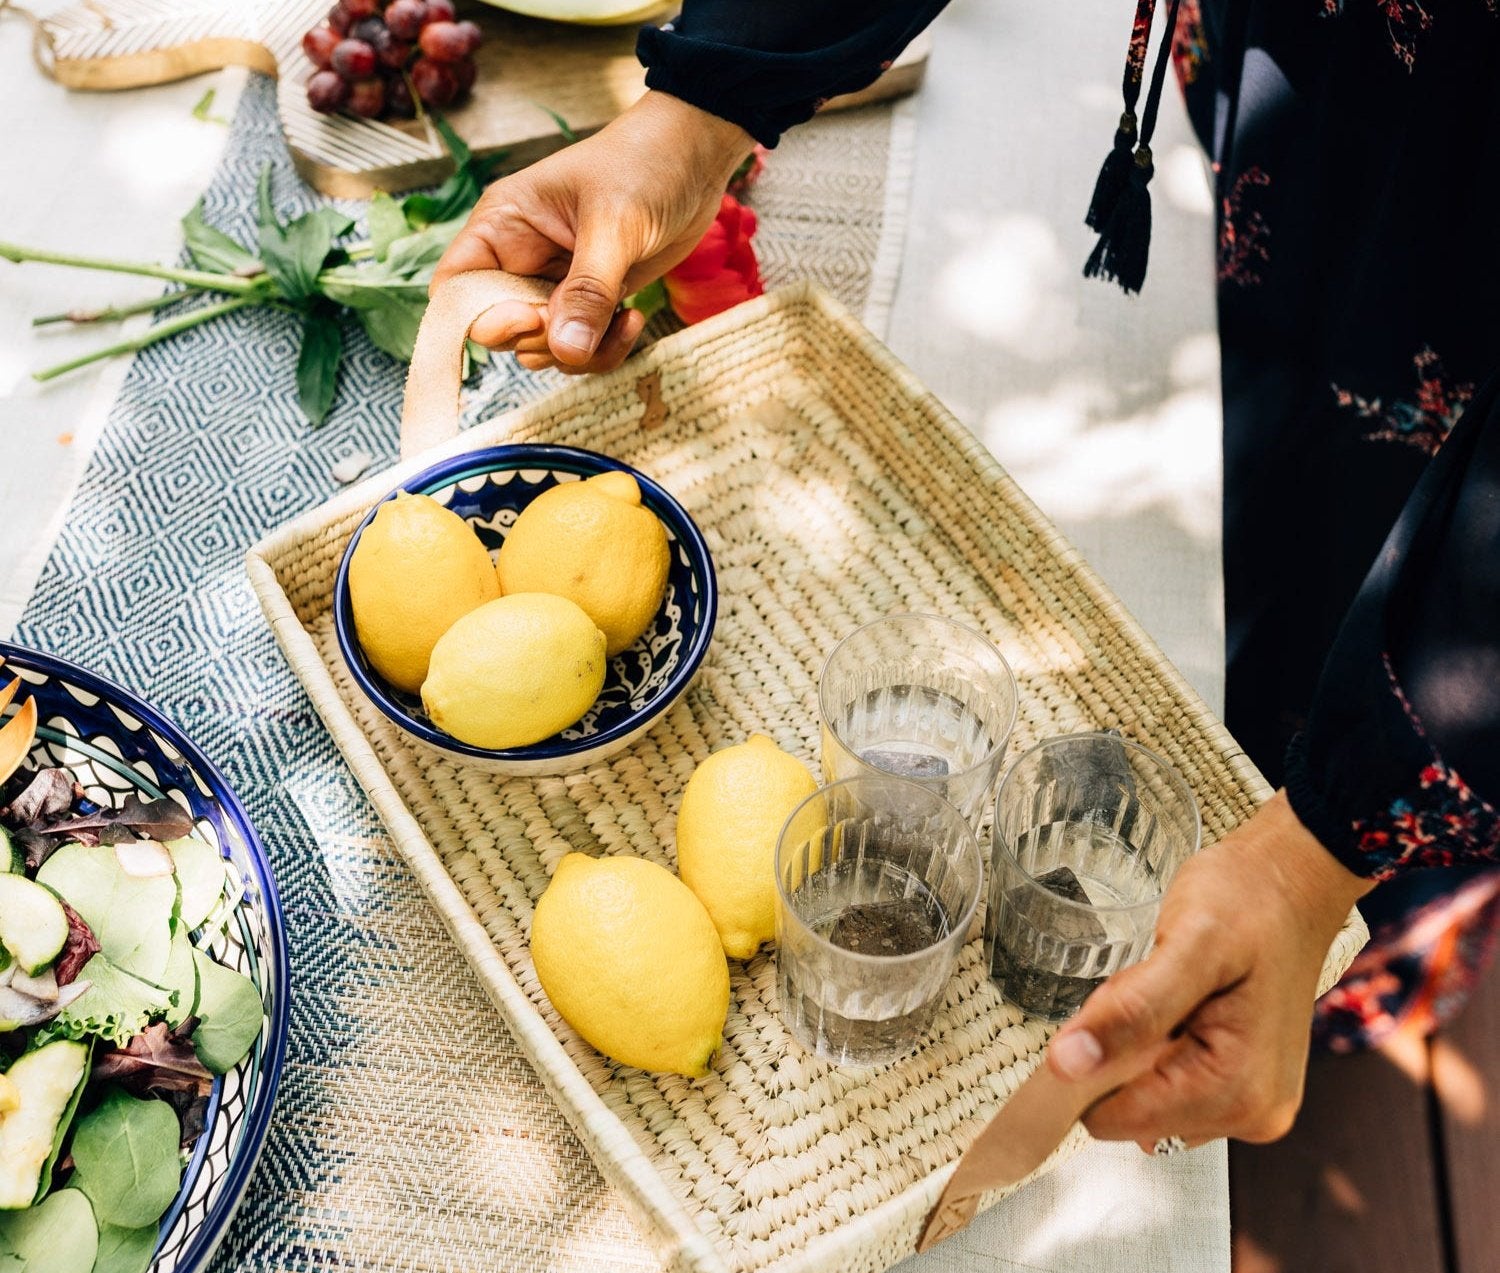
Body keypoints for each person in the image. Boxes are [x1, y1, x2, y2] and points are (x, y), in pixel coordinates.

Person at [431, 0, 1500, 1151]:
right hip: (1321, 84)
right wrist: (705, 104)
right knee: (1275, 471)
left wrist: (1316, 862)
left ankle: (1341, 970)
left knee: (1368, 589)